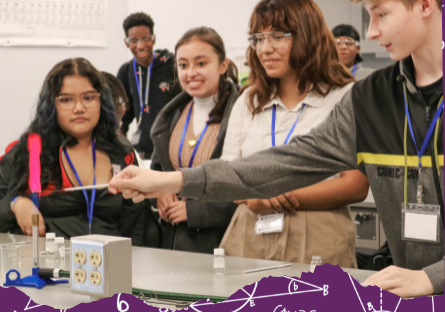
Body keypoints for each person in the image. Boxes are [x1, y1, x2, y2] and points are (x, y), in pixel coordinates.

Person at [109, 0, 443, 298]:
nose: (370, 31)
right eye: (258, 38)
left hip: (404, 276)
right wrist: (168, 181)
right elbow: (283, 164)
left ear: (426, 5)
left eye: (381, 13)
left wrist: (431, 278)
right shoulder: (372, 98)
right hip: (407, 288)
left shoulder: (348, 95)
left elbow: (348, 182)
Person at [217, 0, 368, 267]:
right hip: (249, 232)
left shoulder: (344, 96)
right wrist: (257, 196)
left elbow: (356, 184)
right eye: (258, 38)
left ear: (307, 36)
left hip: (318, 232)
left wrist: (280, 196)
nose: (265, 49)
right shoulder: (249, 99)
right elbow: (229, 173)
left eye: (277, 36)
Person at [0, 58, 150, 245]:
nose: (79, 108)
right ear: (51, 105)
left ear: (101, 101)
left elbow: (134, 223)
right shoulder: (29, 151)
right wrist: (15, 204)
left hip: (108, 267)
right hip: (46, 269)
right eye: (66, 100)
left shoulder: (121, 151)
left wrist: (129, 264)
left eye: (88, 97)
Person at [150, 27, 239, 254]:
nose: (191, 73)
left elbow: (249, 184)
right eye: (183, 65)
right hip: (170, 243)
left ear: (222, 65)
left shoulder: (242, 114)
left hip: (220, 246)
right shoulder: (172, 116)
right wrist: (160, 191)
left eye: (201, 63)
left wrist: (195, 211)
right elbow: (158, 169)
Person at [117, 12, 181, 159]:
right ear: (126, 42)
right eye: (134, 40)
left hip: (173, 147)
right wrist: (117, 138)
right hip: (143, 150)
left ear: (154, 39)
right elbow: (124, 112)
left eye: (146, 39)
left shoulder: (174, 65)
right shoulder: (126, 71)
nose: (140, 46)